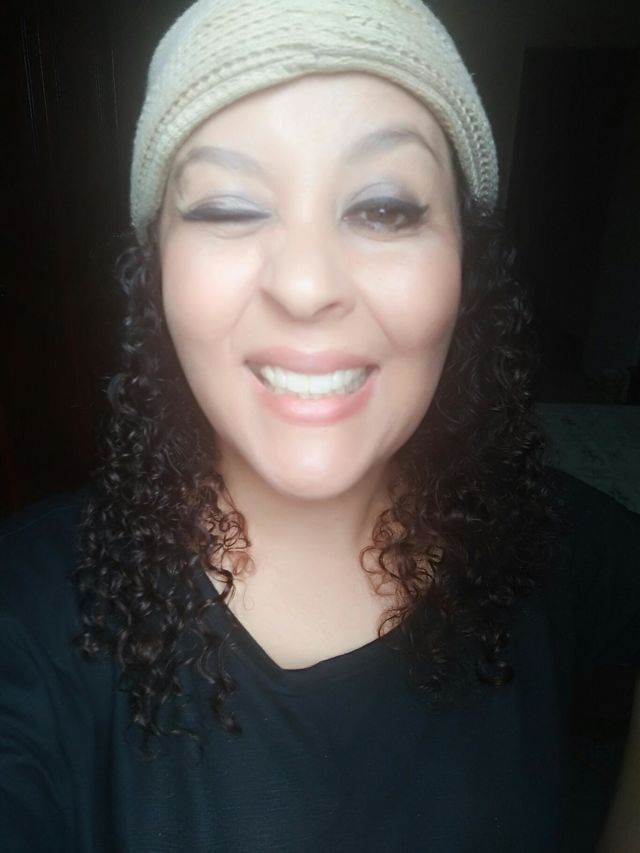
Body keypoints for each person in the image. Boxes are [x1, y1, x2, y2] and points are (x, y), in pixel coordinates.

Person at [1, 0, 639, 851]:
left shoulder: (553, 542)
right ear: (154, 270)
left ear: (467, 266)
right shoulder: (27, 612)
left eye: (384, 208)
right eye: (227, 207)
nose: (305, 287)